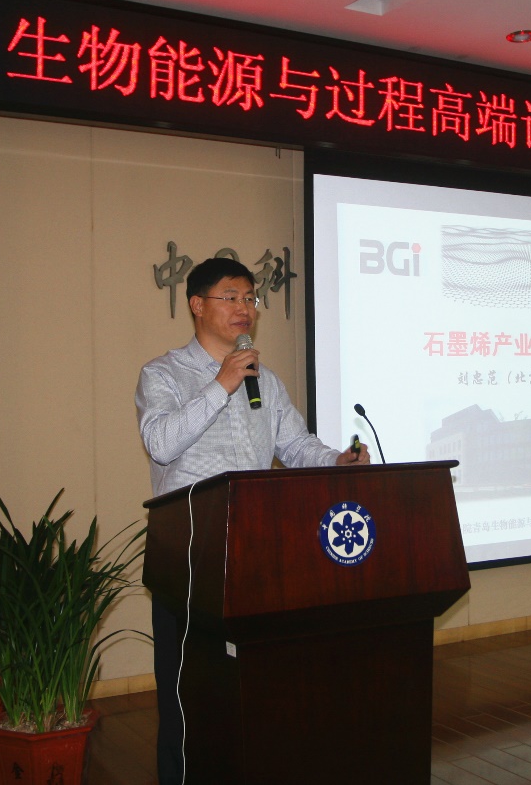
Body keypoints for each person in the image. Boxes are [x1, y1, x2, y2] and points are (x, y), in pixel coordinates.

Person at [134, 257, 369, 784]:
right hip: (189, 557)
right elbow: (161, 443)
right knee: (190, 692)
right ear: (197, 305)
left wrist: (337, 461)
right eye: (232, 297)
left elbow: (295, 445)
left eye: (250, 298)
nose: (245, 308)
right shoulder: (163, 374)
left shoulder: (266, 380)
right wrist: (221, 385)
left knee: (257, 683)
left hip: (257, 552)